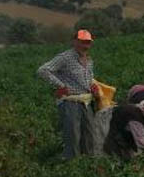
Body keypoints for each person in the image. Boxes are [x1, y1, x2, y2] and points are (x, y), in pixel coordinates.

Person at [37, 29, 98, 159]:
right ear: (75, 42)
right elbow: (43, 70)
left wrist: (92, 87)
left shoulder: (89, 60)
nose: (85, 45)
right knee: (73, 135)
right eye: (82, 42)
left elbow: (88, 78)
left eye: (88, 42)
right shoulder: (65, 57)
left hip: (86, 102)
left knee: (90, 134)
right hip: (70, 102)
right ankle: (72, 164)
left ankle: (88, 162)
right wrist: (60, 85)